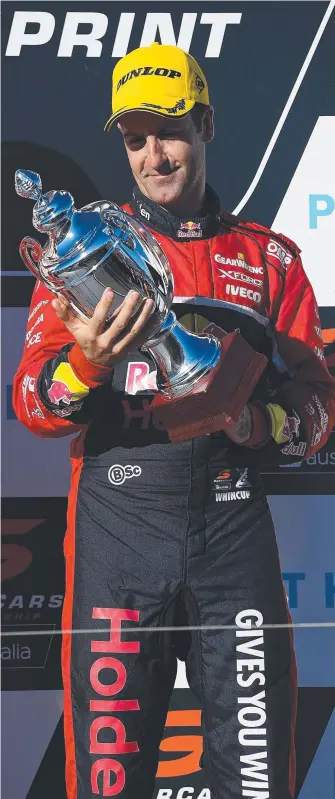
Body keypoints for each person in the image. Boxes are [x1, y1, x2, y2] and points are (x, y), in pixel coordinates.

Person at [13, 43, 335, 799]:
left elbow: (319, 405)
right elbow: (35, 403)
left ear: (207, 125)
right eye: (135, 139)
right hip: (117, 539)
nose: (154, 155)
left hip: (231, 539)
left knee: (255, 782)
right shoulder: (82, 254)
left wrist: (263, 425)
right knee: (107, 782)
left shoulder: (270, 259)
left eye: (170, 130)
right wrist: (85, 363)